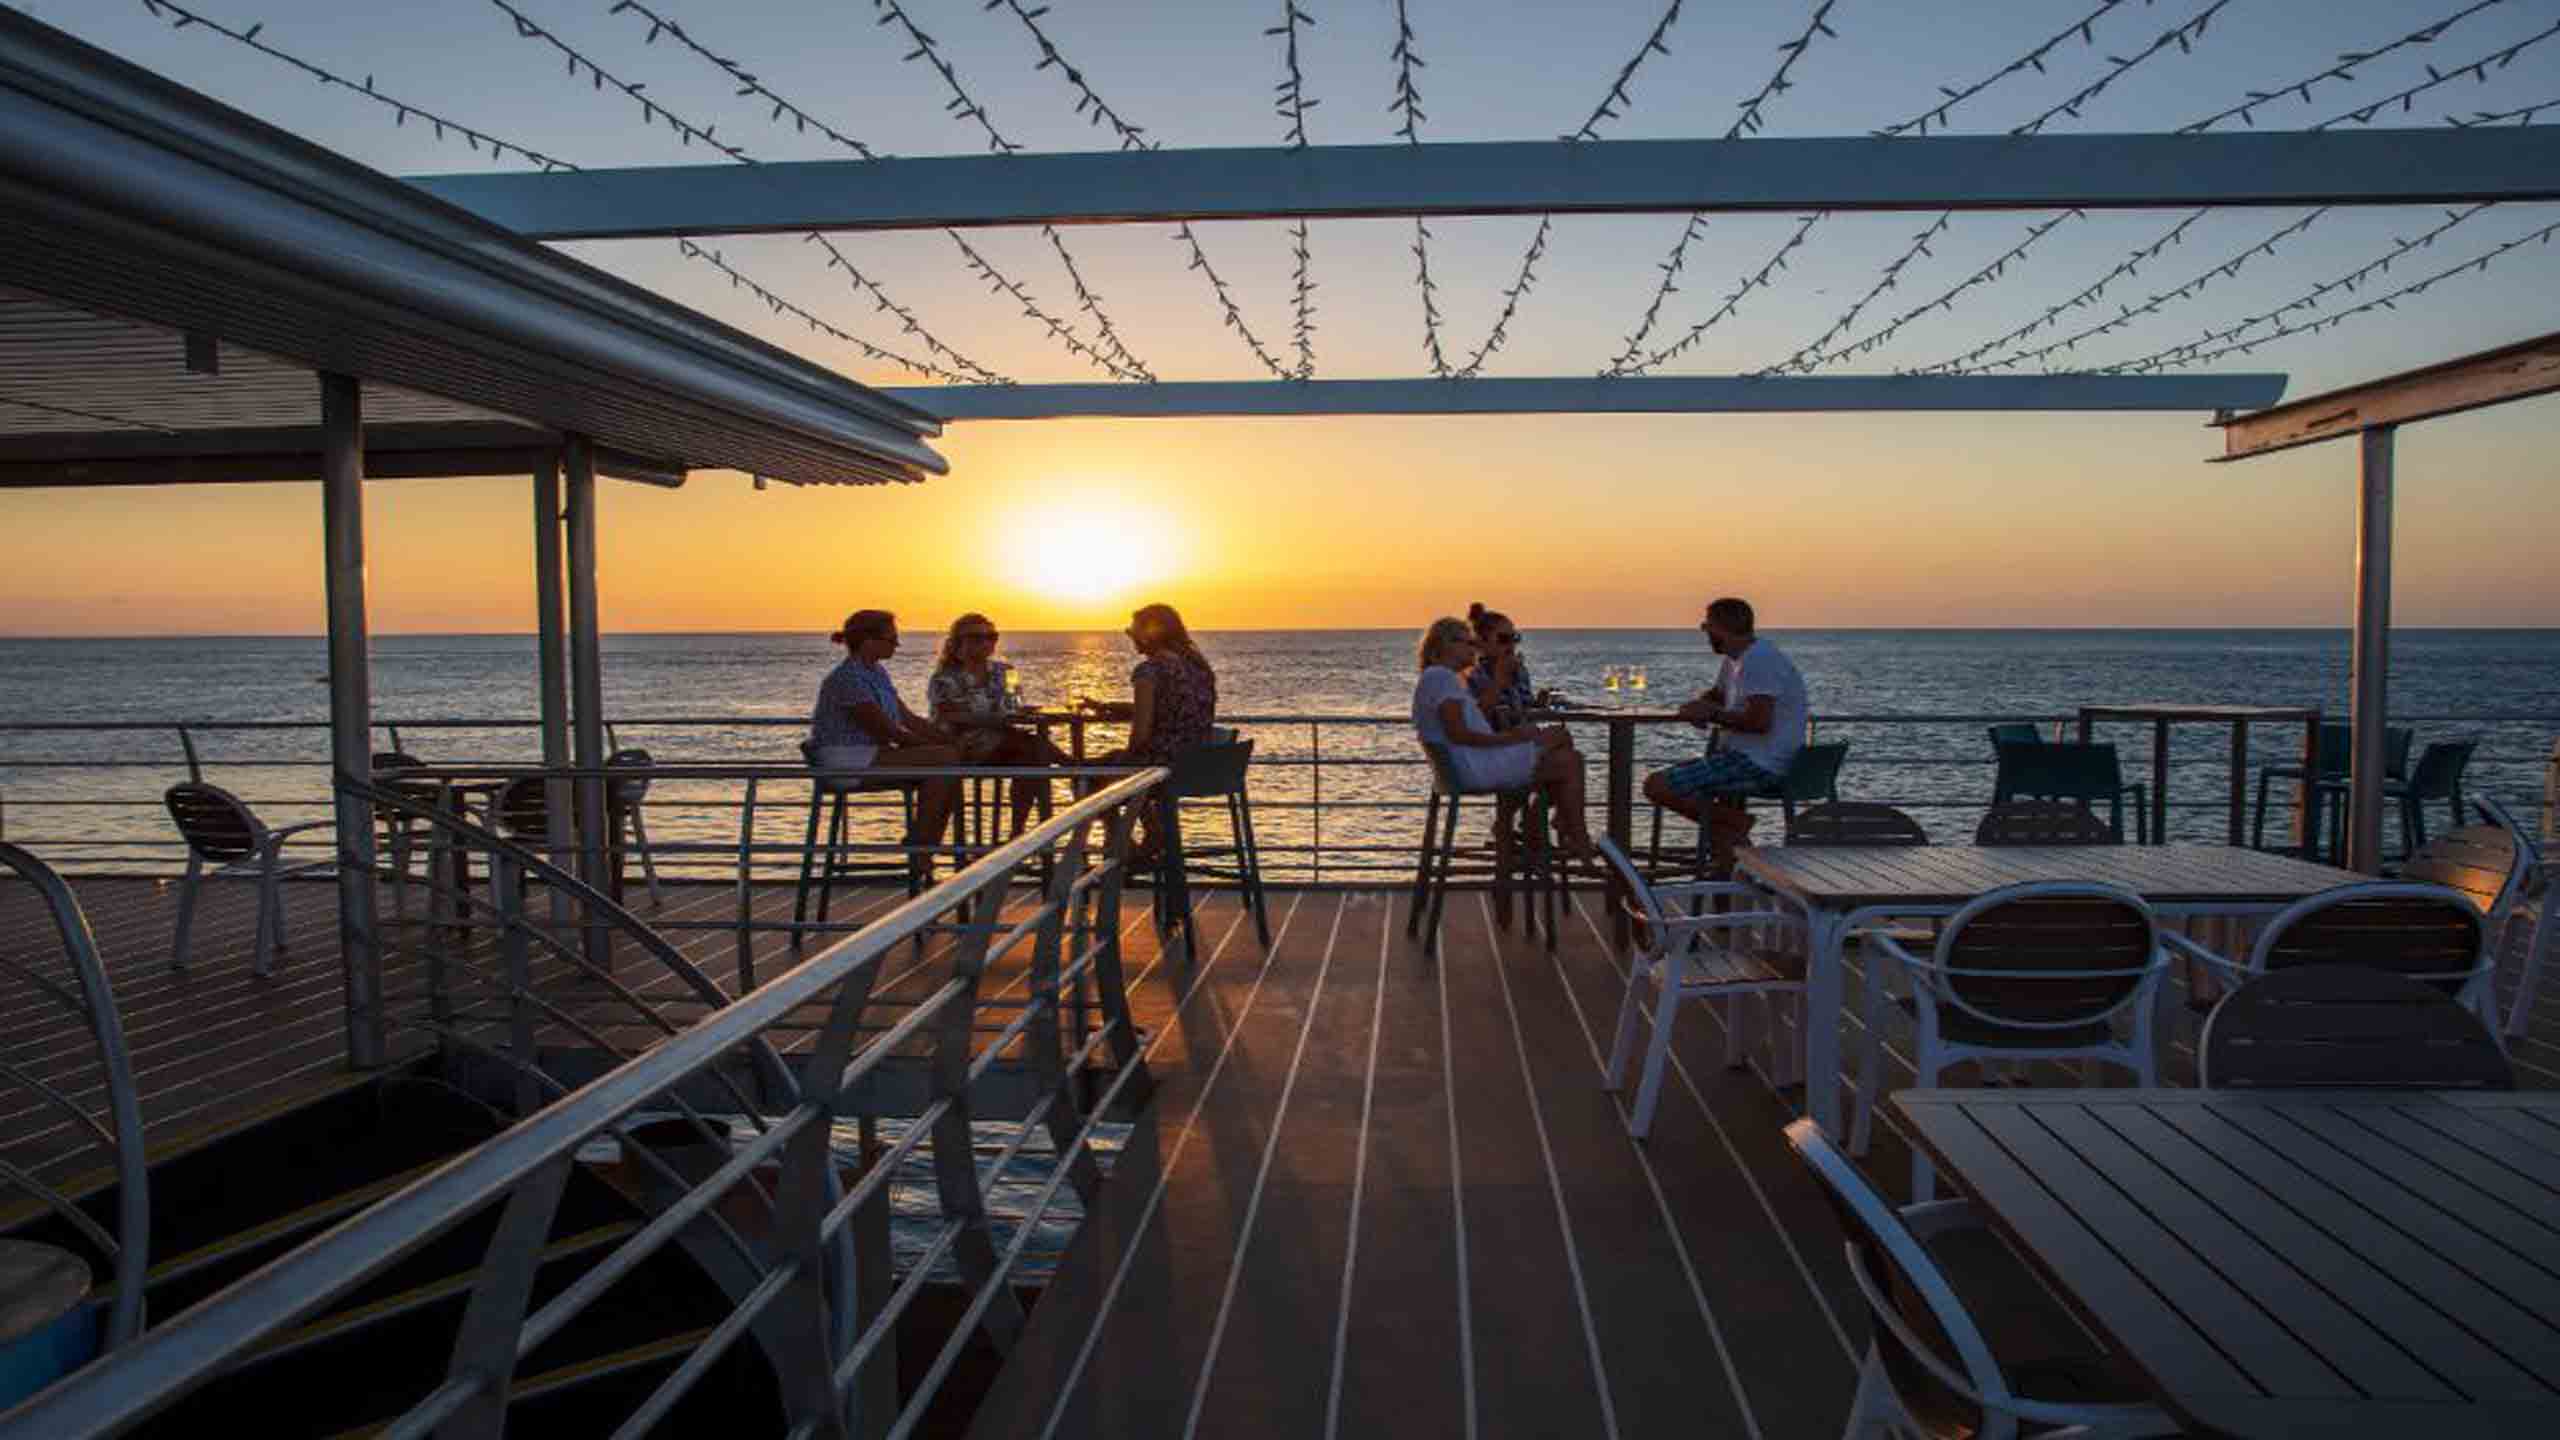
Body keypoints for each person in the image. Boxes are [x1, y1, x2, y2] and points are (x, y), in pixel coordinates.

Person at [1642, 596, 1809, 874]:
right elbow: (1718, 695)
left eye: (1707, 625)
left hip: (1759, 763)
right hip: (1742, 757)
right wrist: (1699, 705)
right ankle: (1734, 882)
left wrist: (1711, 714)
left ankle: (1736, 821)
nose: (1705, 631)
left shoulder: (1760, 660)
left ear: (1723, 627)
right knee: (1718, 831)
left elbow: (1759, 722)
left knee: (1656, 786)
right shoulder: (1736, 660)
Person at [1413, 617, 1595, 862]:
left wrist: (1513, 736)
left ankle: (1559, 829)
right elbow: (1459, 734)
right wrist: (1509, 738)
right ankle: (1570, 835)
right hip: (1477, 767)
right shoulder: (1442, 679)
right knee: (1566, 751)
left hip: (1471, 764)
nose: (1473, 648)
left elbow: (1462, 728)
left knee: (1568, 756)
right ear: (1444, 645)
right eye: (1468, 643)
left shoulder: (1440, 678)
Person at [808, 609, 961, 865]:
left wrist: (947, 741)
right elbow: (887, 731)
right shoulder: (848, 678)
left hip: (870, 756)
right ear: (869, 640)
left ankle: (923, 846)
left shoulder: (877, 673)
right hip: (847, 762)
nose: (897, 645)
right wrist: (938, 750)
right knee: (946, 762)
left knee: (948, 766)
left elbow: (908, 719)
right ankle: (922, 846)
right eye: (892, 639)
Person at [1078, 602, 1219, 855]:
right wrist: (1114, 708)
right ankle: (1149, 835)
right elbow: (1174, 708)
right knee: (1112, 765)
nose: (1130, 637)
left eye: (1133, 631)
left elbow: (1140, 736)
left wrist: (1127, 760)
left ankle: (1125, 844)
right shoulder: (1199, 667)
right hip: (1198, 765)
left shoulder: (1149, 669)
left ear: (1152, 632)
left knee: (1087, 777)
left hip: (1164, 768)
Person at [928, 612, 1071, 836]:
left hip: (1004, 741)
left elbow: (1013, 703)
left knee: (1031, 756)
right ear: (958, 643)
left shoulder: (1005, 672)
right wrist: (998, 718)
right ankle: (1075, 768)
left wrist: (1020, 712)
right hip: (962, 746)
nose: (985, 643)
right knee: (1031, 747)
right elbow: (954, 717)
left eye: (991, 637)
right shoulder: (945, 678)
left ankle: (1018, 831)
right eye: (976, 638)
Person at [1465, 603, 1552, 731]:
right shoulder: (1472, 674)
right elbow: (1473, 719)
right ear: (1481, 642)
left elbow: (1525, 710)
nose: (1511, 645)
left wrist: (1540, 704)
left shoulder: (1520, 671)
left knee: (1561, 736)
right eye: (1504, 639)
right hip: (1493, 742)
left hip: (1521, 738)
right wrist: (1499, 681)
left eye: (1515, 638)